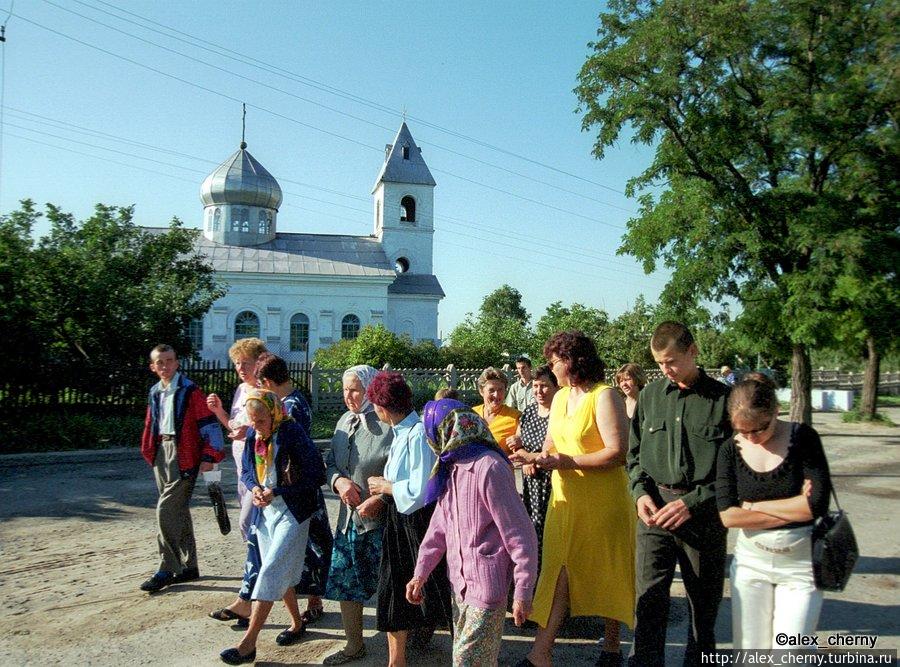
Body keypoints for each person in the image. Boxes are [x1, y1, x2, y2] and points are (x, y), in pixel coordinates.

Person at [512, 331, 634, 667]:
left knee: (606, 571)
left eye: (554, 361)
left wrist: (564, 461)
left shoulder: (604, 395)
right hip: (564, 499)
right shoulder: (562, 397)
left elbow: (617, 453)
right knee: (556, 572)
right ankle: (541, 652)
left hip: (603, 501)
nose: (551, 369)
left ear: (572, 361)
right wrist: (532, 457)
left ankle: (611, 647)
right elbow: (551, 446)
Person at [627, 321, 732, 666]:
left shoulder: (724, 401)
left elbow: (739, 473)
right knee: (649, 603)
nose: (665, 370)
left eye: (671, 361)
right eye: (659, 363)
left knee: (702, 611)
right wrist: (641, 493)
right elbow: (635, 456)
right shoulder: (651, 397)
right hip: (654, 513)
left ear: (693, 351)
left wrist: (691, 503)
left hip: (703, 518)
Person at [407, 399, 538, 666]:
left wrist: (523, 590)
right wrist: (420, 573)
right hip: (459, 586)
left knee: (467, 661)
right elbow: (438, 530)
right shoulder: (450, 468)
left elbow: (520, 535)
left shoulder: (489, 468)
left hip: (487, 590)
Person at [208, 354, 331, 628]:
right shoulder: (285, 403)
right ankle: (295, 609)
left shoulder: (286, 411)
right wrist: (256, 486)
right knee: (288, 552)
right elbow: (251, 465)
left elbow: (301, 460)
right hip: (276, 494)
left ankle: (257, 613)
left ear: (266, 382)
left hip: (291, 495)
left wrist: (273, 489)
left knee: (285, 556)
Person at [716, 374, 832, 649]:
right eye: (742, 431)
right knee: (750, 653)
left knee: (790, 653)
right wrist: (793, 505)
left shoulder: (803, 438)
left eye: (759, 429)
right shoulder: (729, 450)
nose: (752, 437)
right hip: (750, 565)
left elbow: (815, 505)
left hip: (800, 567)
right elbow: (728, 516)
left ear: (775, 412)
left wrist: (752, 507)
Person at [219, 390, 326, 665]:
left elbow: (316, 474)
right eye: (252, 421)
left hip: (292, 511)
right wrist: (255, 488)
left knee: (271, 569)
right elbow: (246, 470)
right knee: (278, 568)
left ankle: (248, 644)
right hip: (266, 512)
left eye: (260, 420)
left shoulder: (292, 432)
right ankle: (296, 624)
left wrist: (276, 490)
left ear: (274, 412)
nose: (256, 426)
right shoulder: (256, 434)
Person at [365, 371, 452, 667]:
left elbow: (419, 490)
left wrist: (384, 487)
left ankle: (464, 652)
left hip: (419, 524)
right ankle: (396, 660)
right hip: (398, 520)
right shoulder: (402, 432)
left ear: (381, 406)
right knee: (392, 588)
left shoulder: (417, 434)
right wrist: (381, 497)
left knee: (434, 588)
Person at [322, 365, 393, 666]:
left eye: (355, 389)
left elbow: (402, 473)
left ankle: (412, 635)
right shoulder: (343, 422)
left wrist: (379, 498)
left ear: (370, 389)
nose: (348, 396)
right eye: (345, 390)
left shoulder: (388, 423)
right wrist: (338, 481)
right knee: (345, 581)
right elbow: (330, 463)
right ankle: (354, 645)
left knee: (393, 585)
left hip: (381, 521)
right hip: (348, 520)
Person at [139, 344, 225, 592]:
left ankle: (167, 567)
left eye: (169, 361)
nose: (165, 366)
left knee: (165, 510)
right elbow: (151, 423)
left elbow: (209, 425)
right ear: (153, 367)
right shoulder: (155, 391)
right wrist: (151, 451)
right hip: (161, 453)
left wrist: (210, 455)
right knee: (178, 511)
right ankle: (189, 566)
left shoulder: (190, 391)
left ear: (177, 363)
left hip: (185, 454)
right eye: (160, 362)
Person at [207, 337, 268, 539]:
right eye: (237, 363)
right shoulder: (241, 390)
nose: (240, 368)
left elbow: (270, 426)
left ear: (258, 363)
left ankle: (259, 565)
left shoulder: (265, 391)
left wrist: (249, 432)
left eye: (245, 363)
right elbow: (234, 426)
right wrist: (218, 411)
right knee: (252, 521)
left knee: (247, 521)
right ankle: (256, 564)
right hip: (241, 467)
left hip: (260, 465)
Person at [504, 364, 558, 572]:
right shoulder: (529, 411)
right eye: (535, 386)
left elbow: (558, 448)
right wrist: (518, 444)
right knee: (532, 531)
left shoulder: (560, 412)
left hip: (553, 480)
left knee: (551, 533)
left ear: (555, 387)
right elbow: (520, 439)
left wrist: (529, 458)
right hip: (532, 484)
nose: (539, 391)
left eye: (544, 386)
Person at [473, 367, 520, 455]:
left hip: (500, 467)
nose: (496, 395)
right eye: (491, 390)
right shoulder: (471, 414)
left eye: (500, 390)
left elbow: (521, 451)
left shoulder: (516, 417)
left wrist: (520, 441)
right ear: (481, 391)